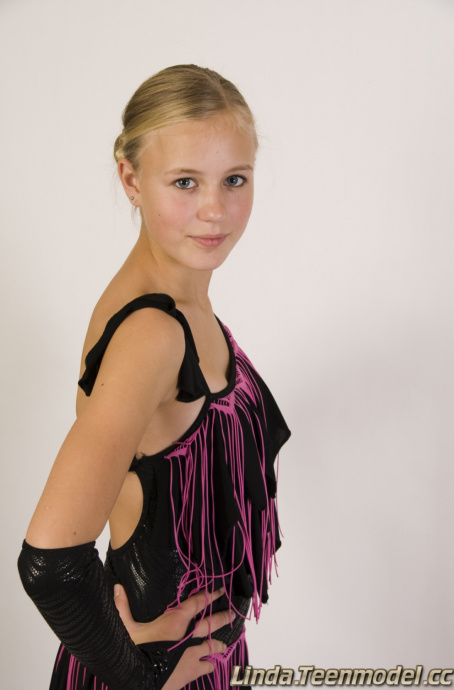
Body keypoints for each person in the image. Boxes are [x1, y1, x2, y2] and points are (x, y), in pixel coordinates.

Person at [18, 64, 290, 690]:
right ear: (131, 179)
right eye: (185, 182)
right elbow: (50, 565)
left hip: (193, 659)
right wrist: (141, 678)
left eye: (235, 179)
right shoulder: (151, 334)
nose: (214, 210)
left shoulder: (183, 298)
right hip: (153, 671)